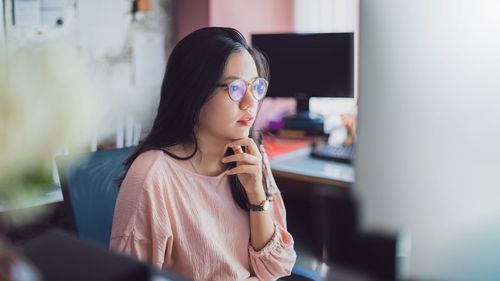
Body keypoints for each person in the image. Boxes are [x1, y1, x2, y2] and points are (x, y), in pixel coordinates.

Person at [109, 27, 297, 280]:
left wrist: (256, 194)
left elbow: (276, 268)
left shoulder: (251, 156)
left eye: (255, 87)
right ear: (195, 92)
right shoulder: (152, 176)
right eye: (236, 89)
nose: (250, 102)